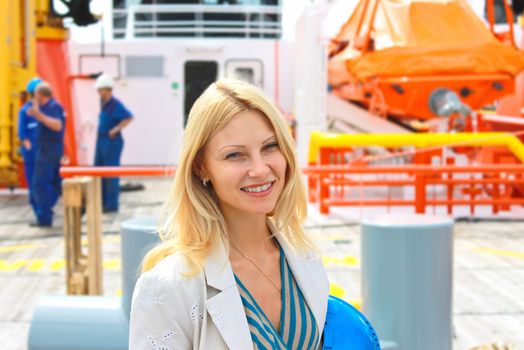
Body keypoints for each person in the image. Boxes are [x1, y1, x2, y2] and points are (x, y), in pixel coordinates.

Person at [129, 79, 329, 349]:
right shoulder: (168, 288)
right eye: (235, 155)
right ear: (201, 167)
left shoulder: (306, 257)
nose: (260, 169)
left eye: (270, 147)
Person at [94, 73, 133, 213]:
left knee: (111, 172)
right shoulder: (103, 103)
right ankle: (103, 201)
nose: (98, 92)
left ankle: (111, 205)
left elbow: (129, 117)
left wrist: (116, 129)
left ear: (108, 89)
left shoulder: (115, 104)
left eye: (100, 89)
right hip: (101, 140)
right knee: (99, 171)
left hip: (111, 142)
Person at [28, 82, 65, 227]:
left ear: (39, 95)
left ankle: (44, 219)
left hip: (48, 152)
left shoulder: (53, 107)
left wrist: (39, 115)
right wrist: (37, 112)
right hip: (48, 150)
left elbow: (57, 125)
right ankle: (79, 206)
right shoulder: (46, 108)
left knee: (39, 184)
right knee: (57, 183)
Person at [18, 77, 42, 216]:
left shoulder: (48, 109)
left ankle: (44, 208)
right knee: (34, 181)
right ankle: (38, 210)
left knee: (46, 182)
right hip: (33, 154)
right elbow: (23, 135)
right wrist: (30, 149)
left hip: (45, 153)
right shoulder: (25, 111)